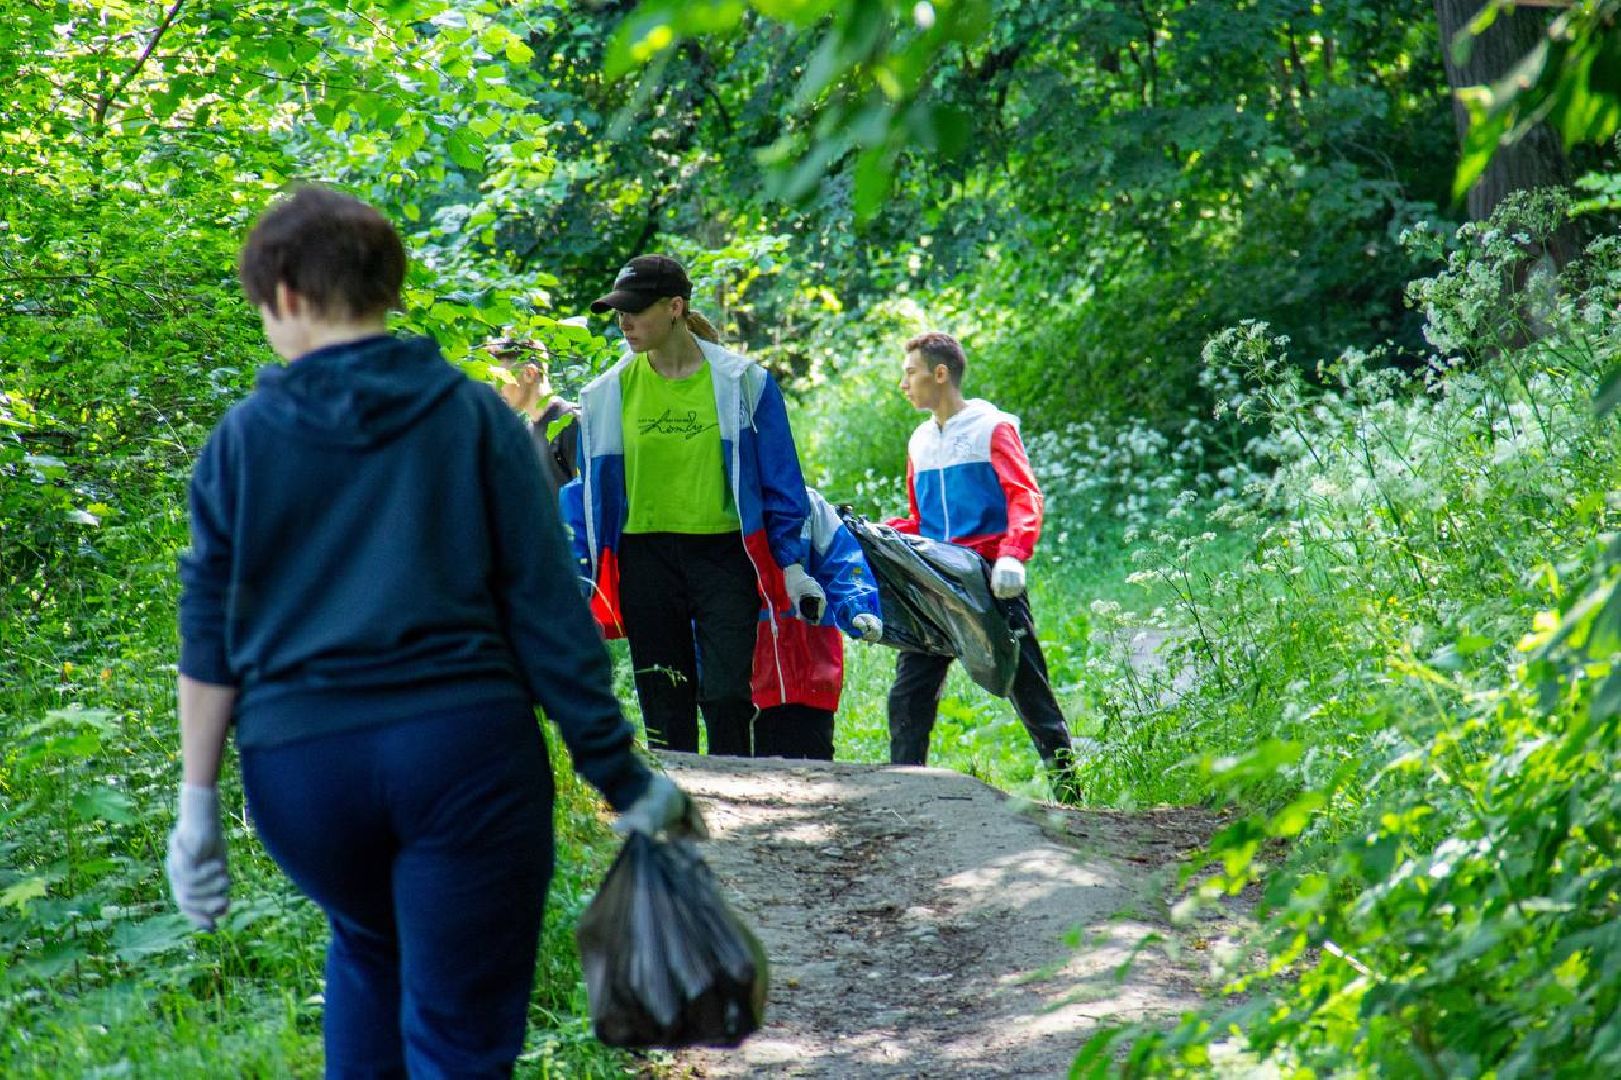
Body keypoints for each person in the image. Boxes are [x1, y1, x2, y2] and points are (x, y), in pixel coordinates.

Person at [165, 186, 701, 1078]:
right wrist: (621, 776)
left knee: (369, 946)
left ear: (288, 295)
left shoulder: (243, 440)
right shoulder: (476, 420)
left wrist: (197, 805)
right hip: (464, 758)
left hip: (304, 771)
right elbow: (547, 616)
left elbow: (209, 630)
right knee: (457, 1035)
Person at [574, 255, 824, 757]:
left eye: (636, 310)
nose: (624, 322)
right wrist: (583, 578)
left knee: (728, 693)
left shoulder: (743, 384)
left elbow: (780, 478)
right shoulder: (604, 395)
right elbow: (586, 500)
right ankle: (679, 814)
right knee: (664, 695)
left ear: (675, 307)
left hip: (725, 555)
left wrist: (792, 564)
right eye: (618, 311)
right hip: (645, 559)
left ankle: (739, 812)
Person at [885, 330, 1082, 803]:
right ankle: (902, 798)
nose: (903, 383)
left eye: (910, 372)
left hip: (991, 580)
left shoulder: (992, 428)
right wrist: (887, 531)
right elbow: (921, 518)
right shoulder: (919, 441)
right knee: (908, 696)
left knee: (1029, 691)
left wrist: (1014, 554)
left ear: (940, 373)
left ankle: (1073, 800)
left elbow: (1024, 494)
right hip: (934, 584)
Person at [750, 488, 884, 760]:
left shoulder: (810, 505)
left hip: (812, 671)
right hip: (753, 677)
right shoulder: (729, 507)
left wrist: (858, 606)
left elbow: (843, 561)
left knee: (816, 764)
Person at [486, 336, 580, 490]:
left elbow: (591, 498)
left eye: (501, 378)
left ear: (529, 373)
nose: (496, 389)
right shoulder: (526, 433)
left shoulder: (570, 421)